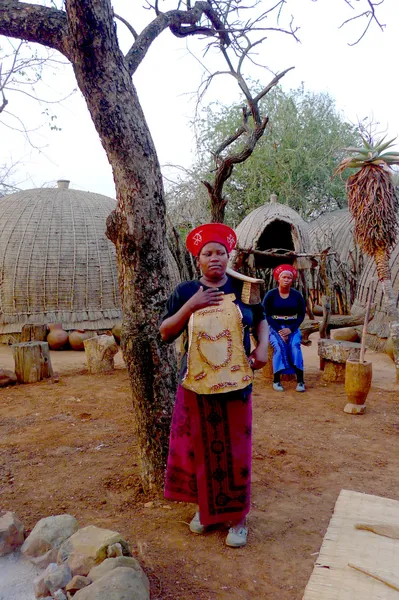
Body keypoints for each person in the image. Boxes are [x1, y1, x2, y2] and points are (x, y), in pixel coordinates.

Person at [160, 223, 269, 548]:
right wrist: (191, 305)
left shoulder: (244, 287)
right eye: (208, 253)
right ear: (198, 259)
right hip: (195, 384)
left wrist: (263, 346)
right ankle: (206, 512)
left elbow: (260, 319)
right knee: (199, 448)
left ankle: (238, 519)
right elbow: (165, 332)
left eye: (220, 252)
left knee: (236, 452)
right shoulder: (184, 292)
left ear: (228, 255)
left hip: (236, 384)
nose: (215, 258)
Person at [262, 264, 306, 393]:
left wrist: (291, 329)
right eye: (284, 277)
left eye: (289, 278)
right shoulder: (271, 295)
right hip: (275, 326)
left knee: (295, 346)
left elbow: (302, 314)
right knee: (279, 346)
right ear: (278, 279)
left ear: (292, 280)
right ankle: (276, 380)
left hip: (292, 327)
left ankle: (300, 381)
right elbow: (266, 314)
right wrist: (279, 330)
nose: (286, 280)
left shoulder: (297, 295)